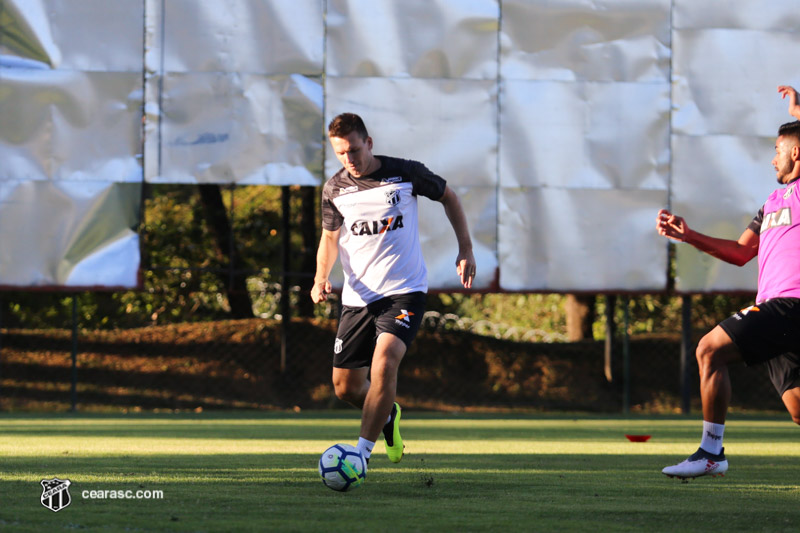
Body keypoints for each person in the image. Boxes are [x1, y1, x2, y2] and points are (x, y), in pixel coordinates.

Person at [311, 113, 476, 473]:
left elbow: (450, 198)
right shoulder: (334, 189)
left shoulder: (405, 173)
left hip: (404, 292)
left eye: (354, 150)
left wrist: (465, 248)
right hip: (357, 298)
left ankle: (361, 456)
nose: (349, 159)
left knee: (384, 363)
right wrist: (320, 276)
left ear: (368, 143)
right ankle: (389, 413)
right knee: (345, 388)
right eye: (340, 153)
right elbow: (330, 238)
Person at [655, 85, 800, 480]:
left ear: (796, 152)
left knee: (708, 350)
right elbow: (740, 252)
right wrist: (689, 235)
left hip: (790, 306)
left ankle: (711, 452)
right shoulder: (772, 202)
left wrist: (799, 112)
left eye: (776, 150)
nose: (772, 159)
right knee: (798, 408)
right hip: (779, 311)